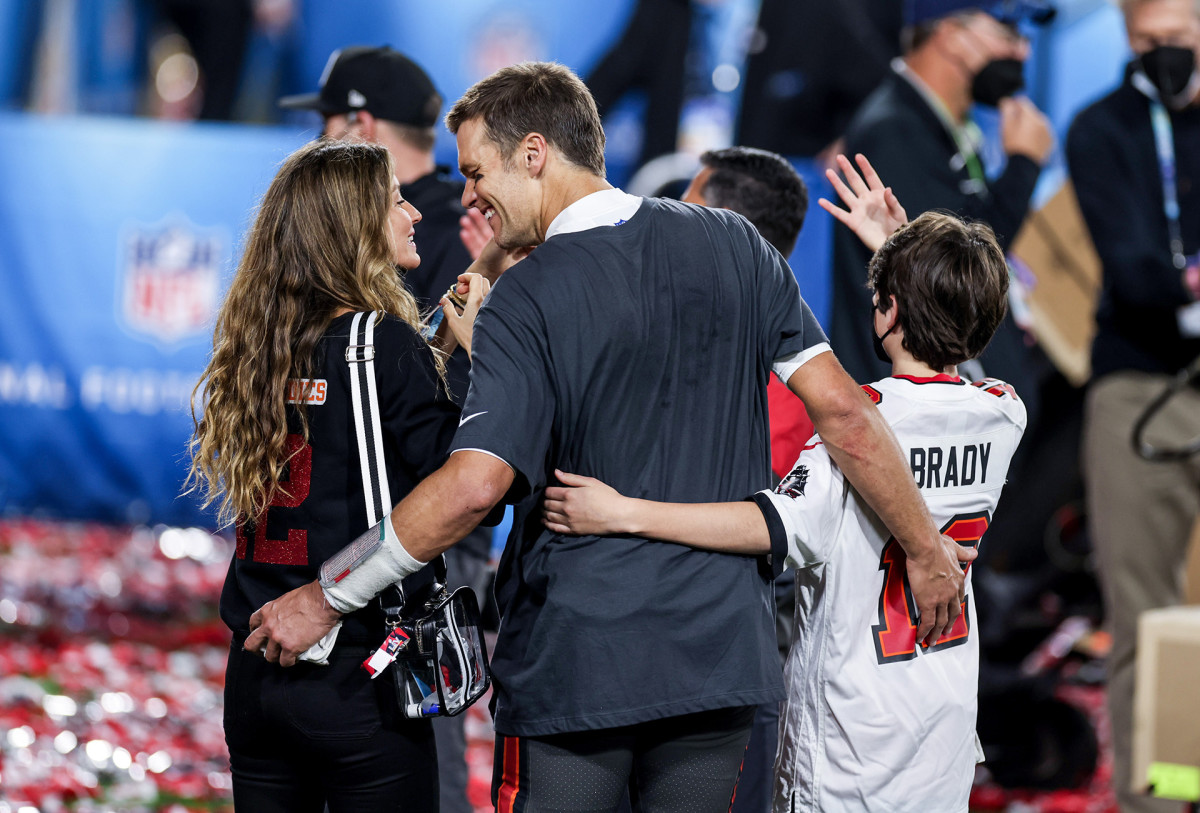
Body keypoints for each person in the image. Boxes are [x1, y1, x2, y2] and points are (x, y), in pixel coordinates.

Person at [246, 62, 973, 813]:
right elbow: (848, 415)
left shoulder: (525, 296)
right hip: (715, 665)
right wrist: (924, 550)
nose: (468, 196)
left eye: (476, 171)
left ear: (535, 154)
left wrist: (331, 593)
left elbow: (474, 485)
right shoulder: (736, 243)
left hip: (576, 668)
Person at [544, 202, 1027, 813]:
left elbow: (766, 524)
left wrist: (622, 512)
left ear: (891, 309)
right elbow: (962, 370)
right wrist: (917, 268)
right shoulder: (1004, 414)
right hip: (946, 721)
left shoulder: (859, 426)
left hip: (853, 735)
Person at [186, 139, 486, 811]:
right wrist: (478, 355)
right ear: (355, 225)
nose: (413, 214)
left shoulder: (260, 342)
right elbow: (467, 486)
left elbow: (363, 431)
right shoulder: (383, 342)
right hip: (358, 675)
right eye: (395, 201)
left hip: (256, 672)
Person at [279, 46, 493, 811]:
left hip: (427, 508)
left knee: (420, 712)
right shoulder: (462, 222)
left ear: (361, 122)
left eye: (328, 122)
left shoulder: (456, 229)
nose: (315, 140)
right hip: (362, 515)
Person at [1065, 1, 1200, 809]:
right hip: (1138, 388)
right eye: (1147, 42)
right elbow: (1138, 269)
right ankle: (1163, 798)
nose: (1163, 55)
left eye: (1179, 40)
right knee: (1148, 623)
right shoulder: (1102, 129)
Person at [827, 0, 1055, 411]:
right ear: (951, 35)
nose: (1023, 51)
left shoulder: (946, 126)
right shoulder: (894, 132)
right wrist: (1023, 165)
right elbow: (952, 271)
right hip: (914, 427)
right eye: (1008, 33)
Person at [679, 145, 808, 813]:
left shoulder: (782, 368)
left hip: (717, 654)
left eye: (688, 200)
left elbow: (752, 519)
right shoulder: (804, 354)